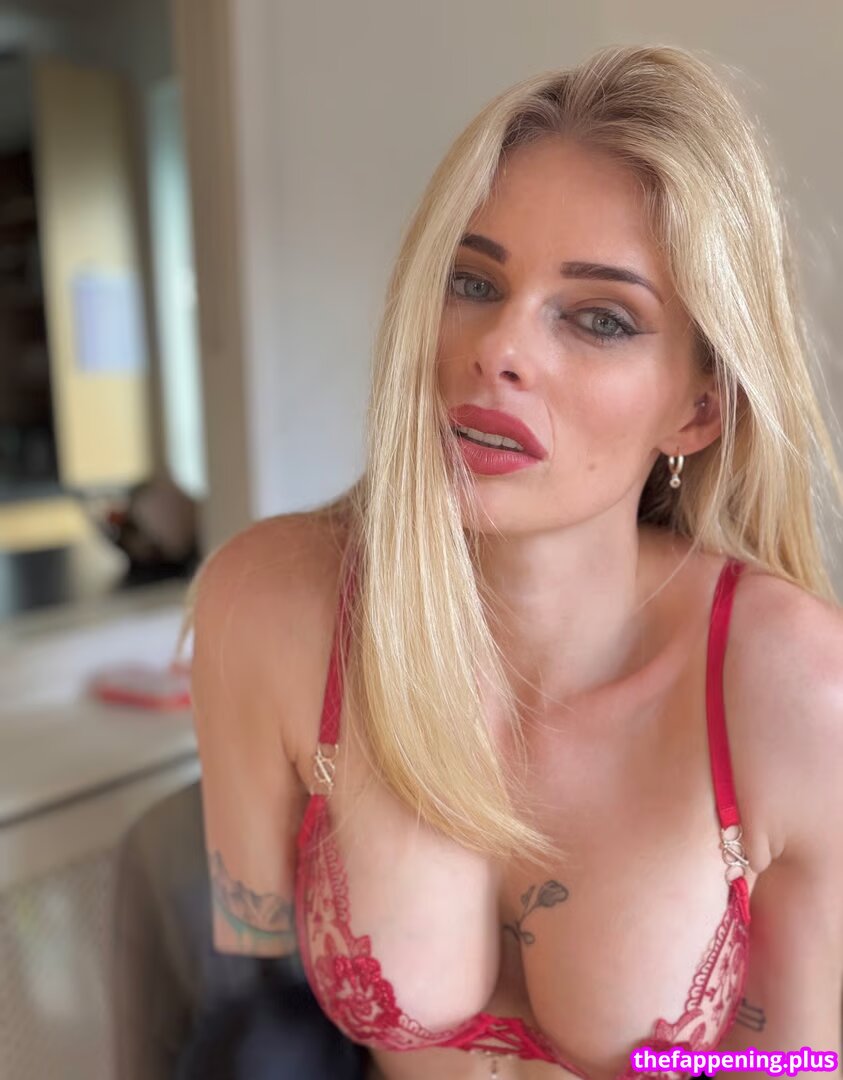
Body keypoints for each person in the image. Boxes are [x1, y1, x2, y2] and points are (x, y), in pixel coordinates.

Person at [183, 43, 843, 1080]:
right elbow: (259, 1014)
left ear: (698, 408)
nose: (498, 348)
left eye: (600, 318)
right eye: (472, 281)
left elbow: (797, 1066)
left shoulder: (793, 683)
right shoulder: (269, 607)